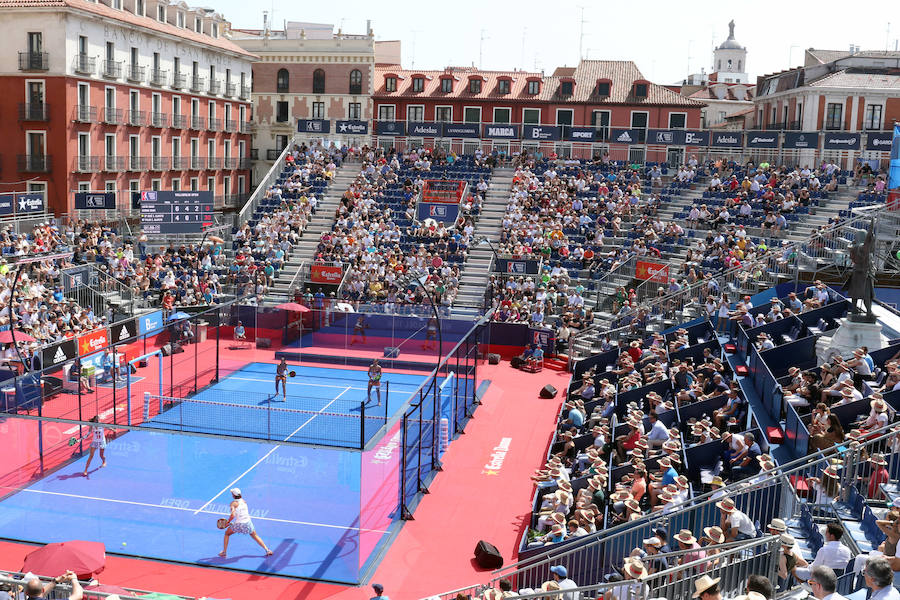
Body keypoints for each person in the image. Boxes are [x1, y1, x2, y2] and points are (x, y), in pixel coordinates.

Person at [219, 487, 273, 558]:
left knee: (227, 534)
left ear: (233, 495)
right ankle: (267, 550)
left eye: (232, 493)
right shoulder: (244, 501)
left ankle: (224, 552)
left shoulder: (233, 503)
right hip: (247, 523)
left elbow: (233, 515)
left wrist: (228, 522)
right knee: (255, 535)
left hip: (239, 524)